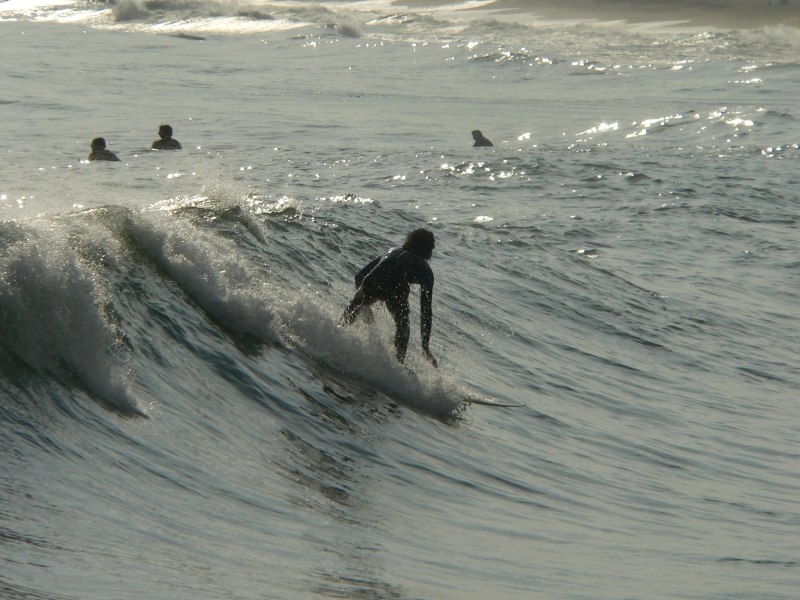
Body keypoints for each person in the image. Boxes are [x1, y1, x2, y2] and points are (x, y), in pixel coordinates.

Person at [341, 228, 438, 367]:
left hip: (372, 281)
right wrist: (425, 347)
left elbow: (359, 277)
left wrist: (364, 304)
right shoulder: (426, 271)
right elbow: (426, 311)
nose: (434, 248)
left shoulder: (392, 251)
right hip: (397, 288)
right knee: (403, 326)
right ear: (428, 249)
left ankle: (337, 332)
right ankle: (398, 365)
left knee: (355, 306)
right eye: (432, 245)